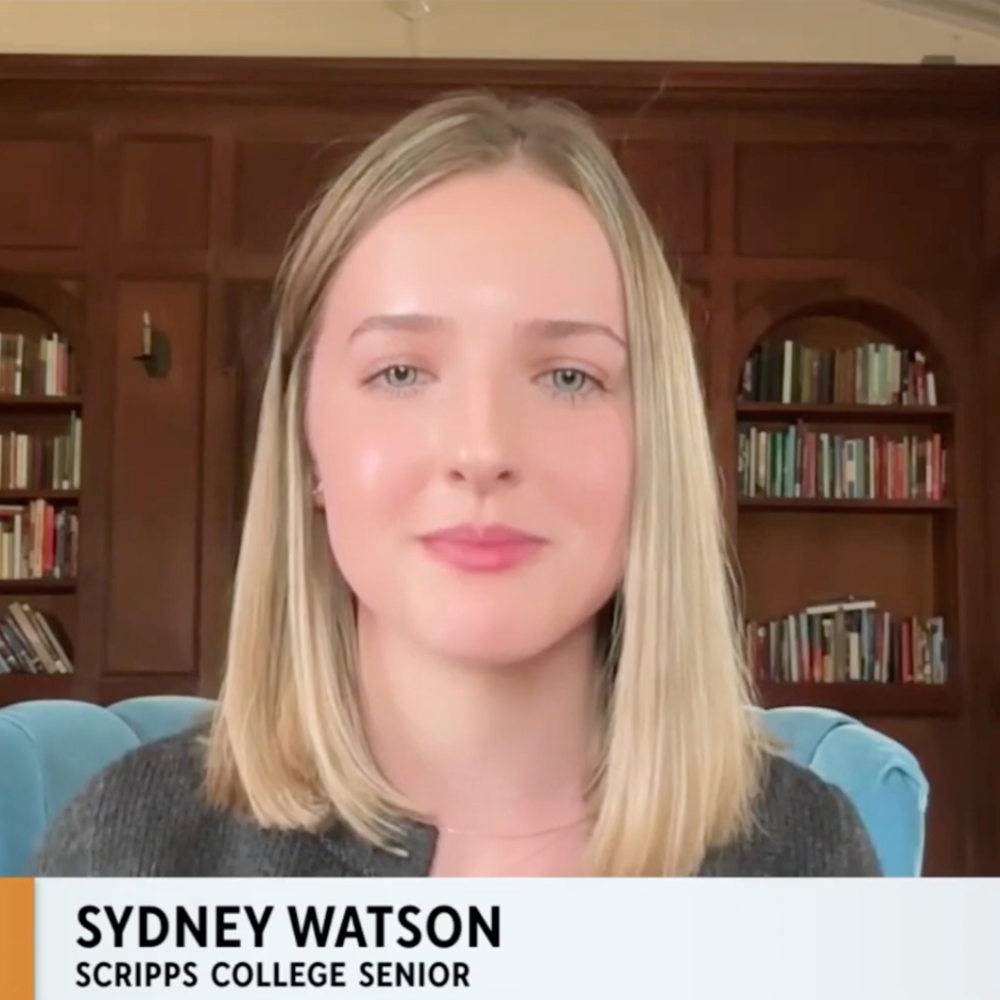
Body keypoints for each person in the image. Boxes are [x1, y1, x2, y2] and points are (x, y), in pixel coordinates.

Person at [34, 92, 879, 878]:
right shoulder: (127, 849)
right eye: (401, 372)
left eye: (570, 378)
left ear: (656, 442)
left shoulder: (813, 857)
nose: (482, 449)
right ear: (306, 446)